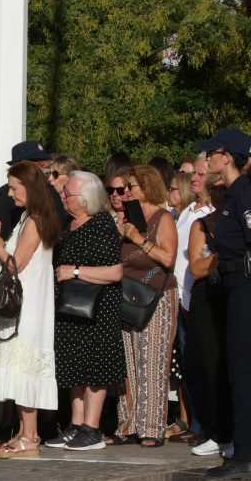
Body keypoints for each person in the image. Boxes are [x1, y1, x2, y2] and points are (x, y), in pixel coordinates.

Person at [0, 160, 62, 458]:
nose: (10, 194)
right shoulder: (28, 218)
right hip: (28, 302)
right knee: (20, 366)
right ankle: (26, 433)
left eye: (14, 188)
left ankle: (30, 436)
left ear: (29, 187)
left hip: (30, 307)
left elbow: (14, 265)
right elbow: (15, 255)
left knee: (25, 367)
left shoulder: (35, 220)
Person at [48, 171, 125, 451]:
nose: (63, 196)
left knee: (95, 368)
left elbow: (115, 272)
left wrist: (76, 271)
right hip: (70, 310)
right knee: (73, 367)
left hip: (97, 311)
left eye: (67, 193)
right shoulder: (68, 224)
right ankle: (76, 425)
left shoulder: (102, 224)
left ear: (85, 199)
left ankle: (92, 429)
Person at [195, 129, 251, 479]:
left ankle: (244, 455)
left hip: (244, 289)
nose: (207, 158)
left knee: (242, 375)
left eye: (211, 153)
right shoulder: (232, 194)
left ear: (227, 157)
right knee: (238, 373)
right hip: (233, 289)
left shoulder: (244, 191)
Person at [111, 166, 178, 448]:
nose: (125, 191)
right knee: (127, 364)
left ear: (147, 187)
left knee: (152, 362)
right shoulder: (130, 218)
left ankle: (151, 428)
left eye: (131, 186)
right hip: (127, 296)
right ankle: (127, 426)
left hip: (156, 297)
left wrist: (138, 239)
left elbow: (168, 258)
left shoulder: (163, 218)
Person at [185, 173, 232, 455]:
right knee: (212, 367)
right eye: (212, 189)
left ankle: (237, 433)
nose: (218, 194)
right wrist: (221, 255)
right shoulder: (201, 224)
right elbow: (196, 268)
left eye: (223, 189)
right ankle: (219, 434)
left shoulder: (239, 222)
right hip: (206, 299)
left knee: (235, 366)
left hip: (235, 296)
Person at [170, 154, 212, 445]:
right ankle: (198, 424)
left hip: (201, 298)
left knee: (206, 365)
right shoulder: (189, 210)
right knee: (191, 367)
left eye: (200, 174)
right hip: (182, 298)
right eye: (193, 173)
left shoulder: (213, 211)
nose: (193, 178)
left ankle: (209, 427)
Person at [0, 140, 66, 242]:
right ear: (21, 166)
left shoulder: (50, 191)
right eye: (38, 160)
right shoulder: (3, 196)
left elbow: (60, 228)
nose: (46, 164)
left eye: (45, 160)